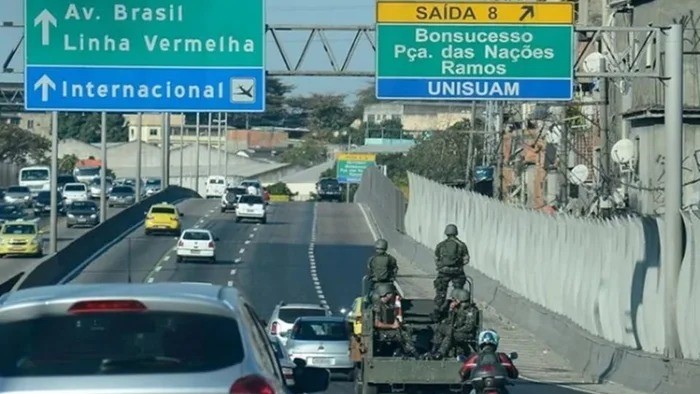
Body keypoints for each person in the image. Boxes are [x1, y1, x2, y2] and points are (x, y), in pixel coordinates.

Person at [429, 288, 480, 359]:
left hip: (467, 334)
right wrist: (451, 310)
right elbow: (450, 321)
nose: (453, 301)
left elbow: (469, 327)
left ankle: (441, 352)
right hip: (455, 330)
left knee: (450, 333)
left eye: (454, 299)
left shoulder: (471, 310)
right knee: (440, 327)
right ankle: (435, 348)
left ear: (459, 300)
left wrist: (456, 330)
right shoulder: (458, 308)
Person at [372, 282, 417, 358]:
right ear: (386, 294)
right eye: (390, 294)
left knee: (407, 328)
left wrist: (398, 323)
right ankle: (412, 352)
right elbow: (377, 323)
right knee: (402, 333)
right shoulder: (378, 306)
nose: (391, 295)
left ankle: (408, 351)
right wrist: (392, 326)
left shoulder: (386, 305)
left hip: (387, 329)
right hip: (381, 332)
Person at [433, 224, 470, 317]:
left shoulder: (441, 245)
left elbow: (436, 258)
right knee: (458, 291)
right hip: (457, 272)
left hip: (443, 271)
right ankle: (457, 310)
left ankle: (438, 311)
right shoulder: (461, 245)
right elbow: (466, 259)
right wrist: (459, 265)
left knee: (441, 291)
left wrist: (441, 266)